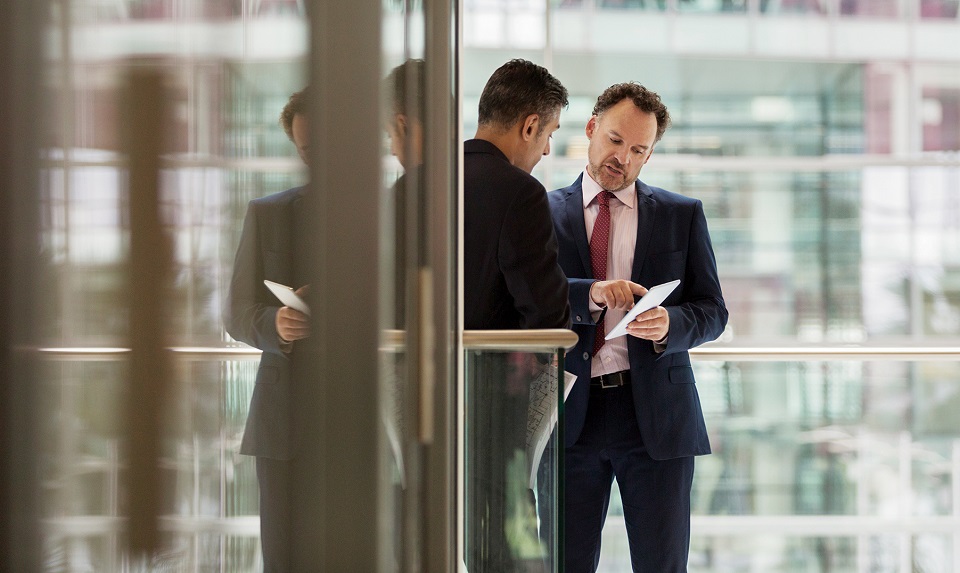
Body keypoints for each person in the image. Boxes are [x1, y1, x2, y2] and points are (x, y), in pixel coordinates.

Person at [546, 82, 728, 572]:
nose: (621, 157)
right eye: (614, 139)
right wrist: (590, 294)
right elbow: (527, 304)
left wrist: (672, 324)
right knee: (564, 563)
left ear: (649, 155)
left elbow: (713, 310)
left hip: (657, 417)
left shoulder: (681, 215)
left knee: (663, 564)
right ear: (590, 129)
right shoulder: (541, 214)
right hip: (569, 415)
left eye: (637, 149)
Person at [463, 59, 572, 572]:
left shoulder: (416, 185)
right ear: (530, 124)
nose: (546, 147)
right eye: (548, 132)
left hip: (422, 407)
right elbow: (548, 318)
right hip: (492, 408)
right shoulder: (520, 193)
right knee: (508, 544)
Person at [224, 86, 312, 573]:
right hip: (285, 424)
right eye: (304, 151)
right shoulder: (268, 213)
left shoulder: (389, 213)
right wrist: (274, 322)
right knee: (284, 559)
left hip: (363, 416)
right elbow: (236, 311)